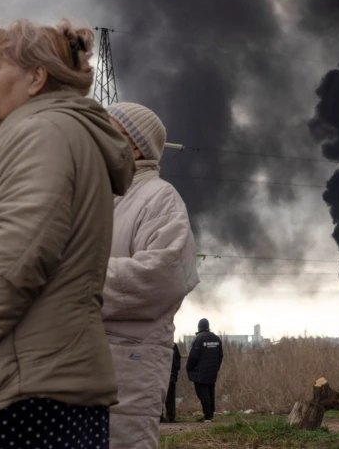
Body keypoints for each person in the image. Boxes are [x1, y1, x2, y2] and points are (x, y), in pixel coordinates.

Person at [0, 18, 135, 448]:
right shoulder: (47, 136)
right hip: (32, 385)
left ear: (36, 78)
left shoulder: (45, 135)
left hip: (21, 400)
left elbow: (16, 263)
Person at [102, 101, 199, 448]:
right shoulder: (95, 196)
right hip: (78, 359)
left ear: (134, 144)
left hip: (129, 361)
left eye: (105, 129)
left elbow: (161, 277)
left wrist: (74, 281)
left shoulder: (159, 198)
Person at [186, 318, 223, 423]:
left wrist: (188, 367)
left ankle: (207, 415)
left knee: (202, 393)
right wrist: (216, 368)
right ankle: (211, 414)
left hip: (200, 372)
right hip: (212, 371)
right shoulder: (216, 338)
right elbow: (220, 355)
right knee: (211, 391)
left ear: (199, 327)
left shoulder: (199, 338)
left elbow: (193, 356)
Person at [162, 344, 181, 424]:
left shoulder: (157, 343)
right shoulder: (173, 344)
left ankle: (159, 416)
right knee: (171, 396)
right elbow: (178, 359)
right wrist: (175, 372)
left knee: (159, 395)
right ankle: (171, 417)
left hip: (160, 374)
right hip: (171, 373)